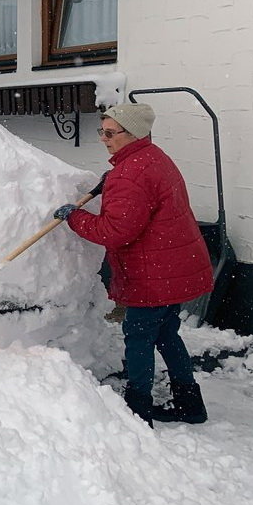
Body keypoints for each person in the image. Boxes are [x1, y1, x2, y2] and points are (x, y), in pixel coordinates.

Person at [52, 103, 213, 426]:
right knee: (167, 334)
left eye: (111, 133)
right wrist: (111, 179)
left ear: (134, 133)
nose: (104, 139)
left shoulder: (131, 173)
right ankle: (189, 402)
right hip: (174, 268)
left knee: (138, 338)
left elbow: (115, 232)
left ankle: (137, 409)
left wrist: (75, 217)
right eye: (103, 131)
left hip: (153, 275)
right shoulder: (152, 158)